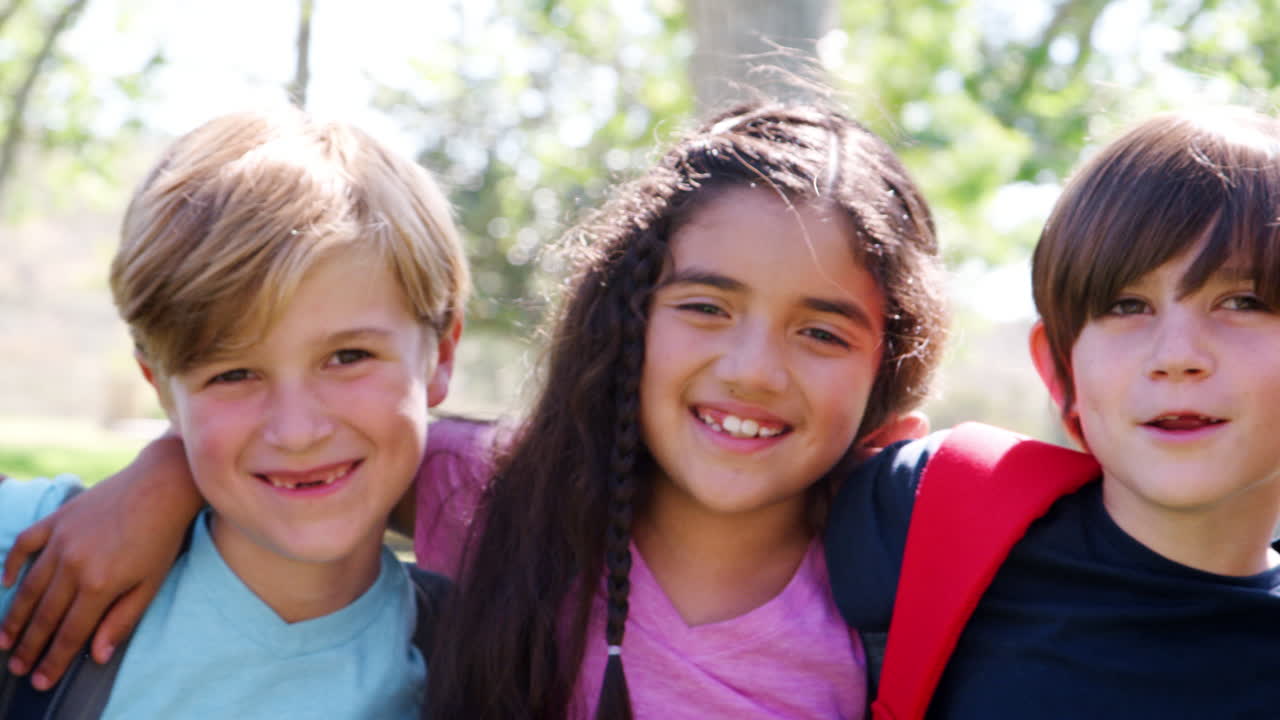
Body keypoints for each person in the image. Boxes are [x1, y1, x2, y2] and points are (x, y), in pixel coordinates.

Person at [4, 101, 948, 719]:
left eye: (822, 332)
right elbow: (310, 438)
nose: (751, 369)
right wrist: (164, 473)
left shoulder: (895, 582)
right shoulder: (509, 495)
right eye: (704, 306)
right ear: (629, 314)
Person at [1, 108, 468, 717]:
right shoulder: (38, 559)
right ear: (162, 389)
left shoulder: (485, 664)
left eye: (348, 356)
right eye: (233, 373)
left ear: (442, 354)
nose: (297, 431)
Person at [825, 106, 1280, 719]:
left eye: (1241, 301)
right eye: (1126, 305)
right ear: (1060, 370)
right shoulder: (931, 502)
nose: (1177, 357)